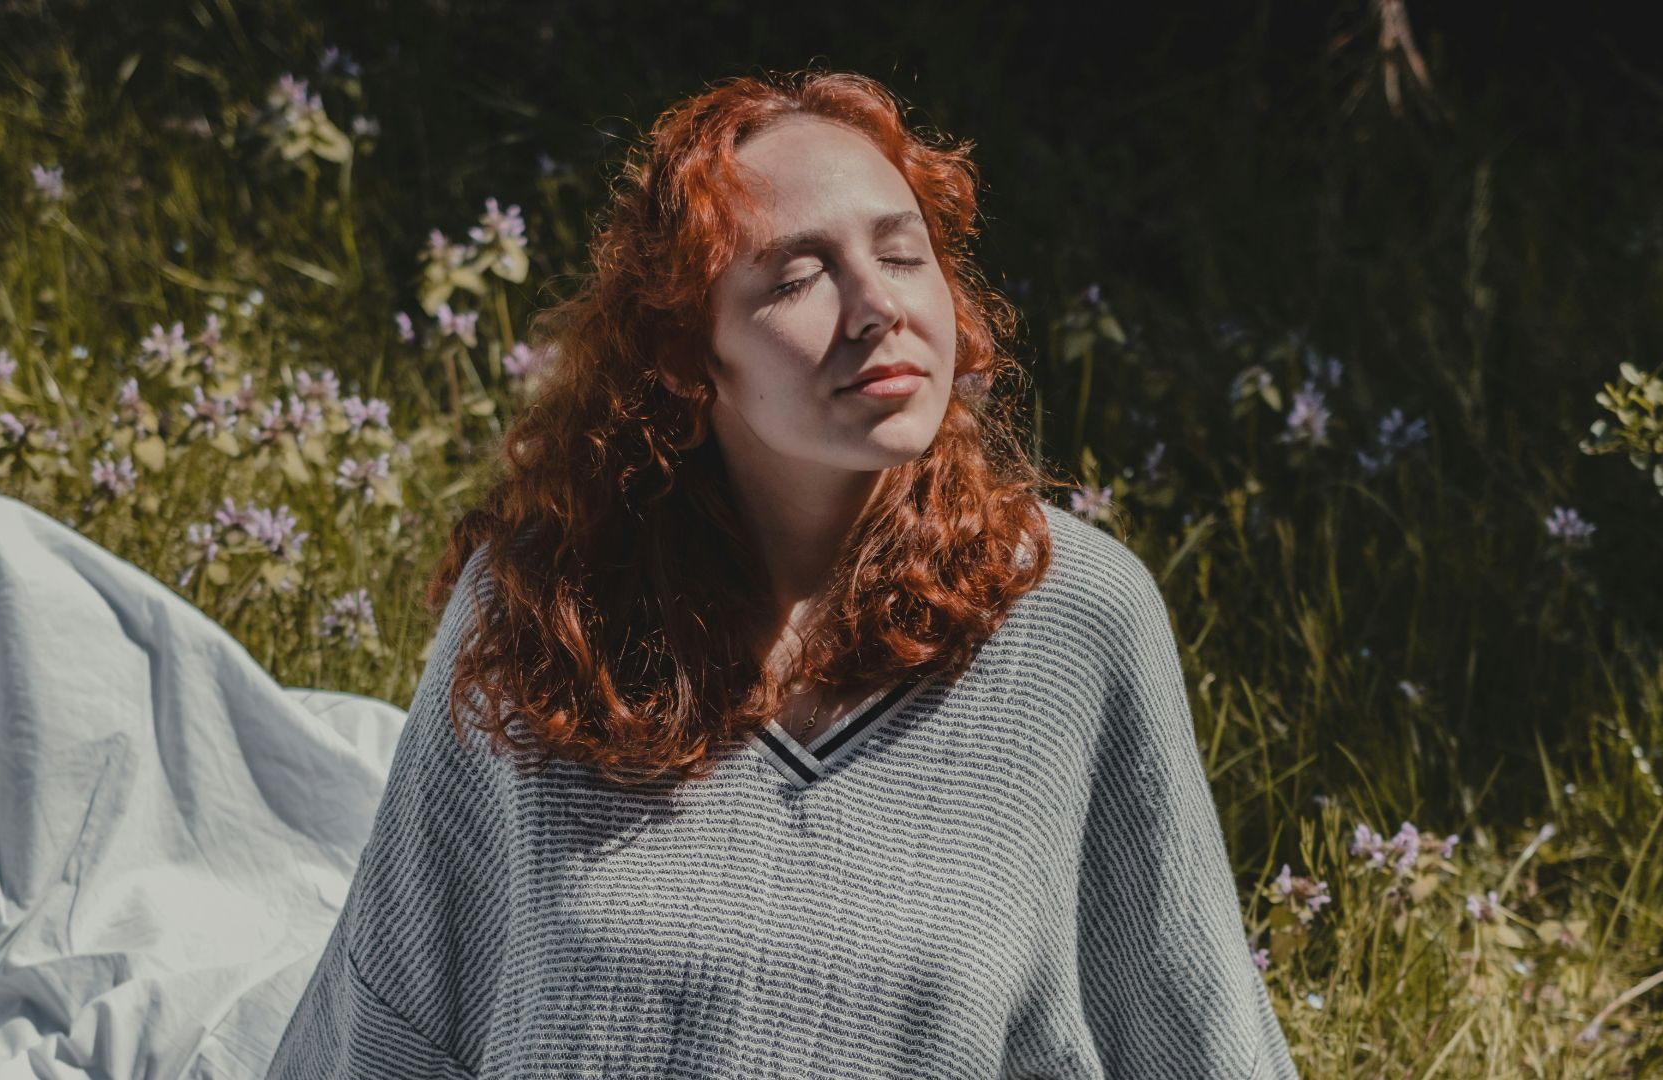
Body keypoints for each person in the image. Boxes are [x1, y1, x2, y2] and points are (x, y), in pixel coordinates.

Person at [266, 68, 1299, 1079]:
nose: (876, 307)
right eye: (798, 278)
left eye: (903, 255)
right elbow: (387, 1021)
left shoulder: (1075, 616)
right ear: (681, 350)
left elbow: (1191, 1023)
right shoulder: (547, 607)